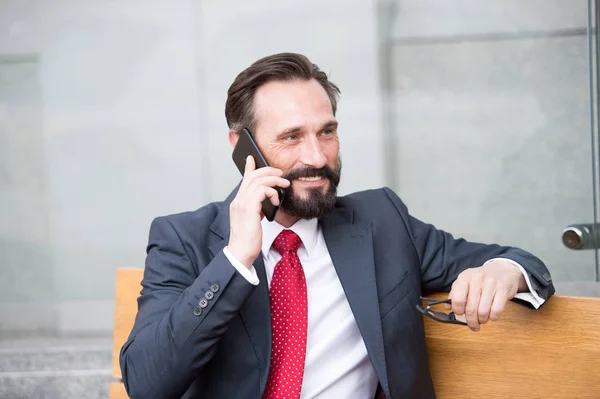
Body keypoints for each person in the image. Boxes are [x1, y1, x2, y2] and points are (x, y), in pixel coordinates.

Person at [120, 53, 555, 399]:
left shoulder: (381, 222)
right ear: (242, 147)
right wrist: (236, 258)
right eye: (292, 137)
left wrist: (504, 271)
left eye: (326, 132)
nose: (315, 156)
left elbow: (522, 262)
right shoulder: (184, 239)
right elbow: (146, 383)